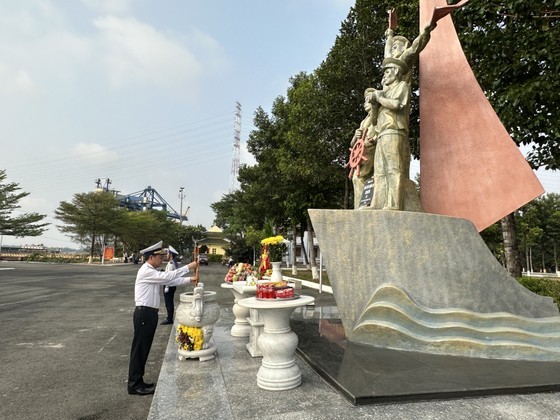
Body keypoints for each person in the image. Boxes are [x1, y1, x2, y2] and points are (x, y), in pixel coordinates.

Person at [127, 240, 198, 396]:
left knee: (144, 349)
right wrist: (188, 267)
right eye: (159, 257)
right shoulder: (146, 271)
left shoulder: (152, 271)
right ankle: (134, 385)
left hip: (149, 313)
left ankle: (138, 381)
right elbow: (168, 275)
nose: (162, 259)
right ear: (151, 257)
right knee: (139, 350)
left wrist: (189, 280)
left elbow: (170, 280)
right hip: (144, 313)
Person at [350, 87, 378, 209]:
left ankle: (363, 205)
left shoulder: (378, 116)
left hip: (371, 150)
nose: (364, 103)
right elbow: (353, 144)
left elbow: (383, 131)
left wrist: (375, 139)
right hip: (361, 152)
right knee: (357, 178)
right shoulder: (363, 121)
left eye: (367, 100)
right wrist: (355, 136)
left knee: (359, 177)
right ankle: (360, 205)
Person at [160, 245, 180, 325]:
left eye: (168, 253)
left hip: (169, 286)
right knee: (169, 302)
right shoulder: (172, 263)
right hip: (171, 286)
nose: (166, 255)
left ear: (171, 255)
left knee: (169, 303)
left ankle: (169, 319)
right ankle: (169, 317)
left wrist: (167, 287)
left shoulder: (171, 264)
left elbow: (169, 277)